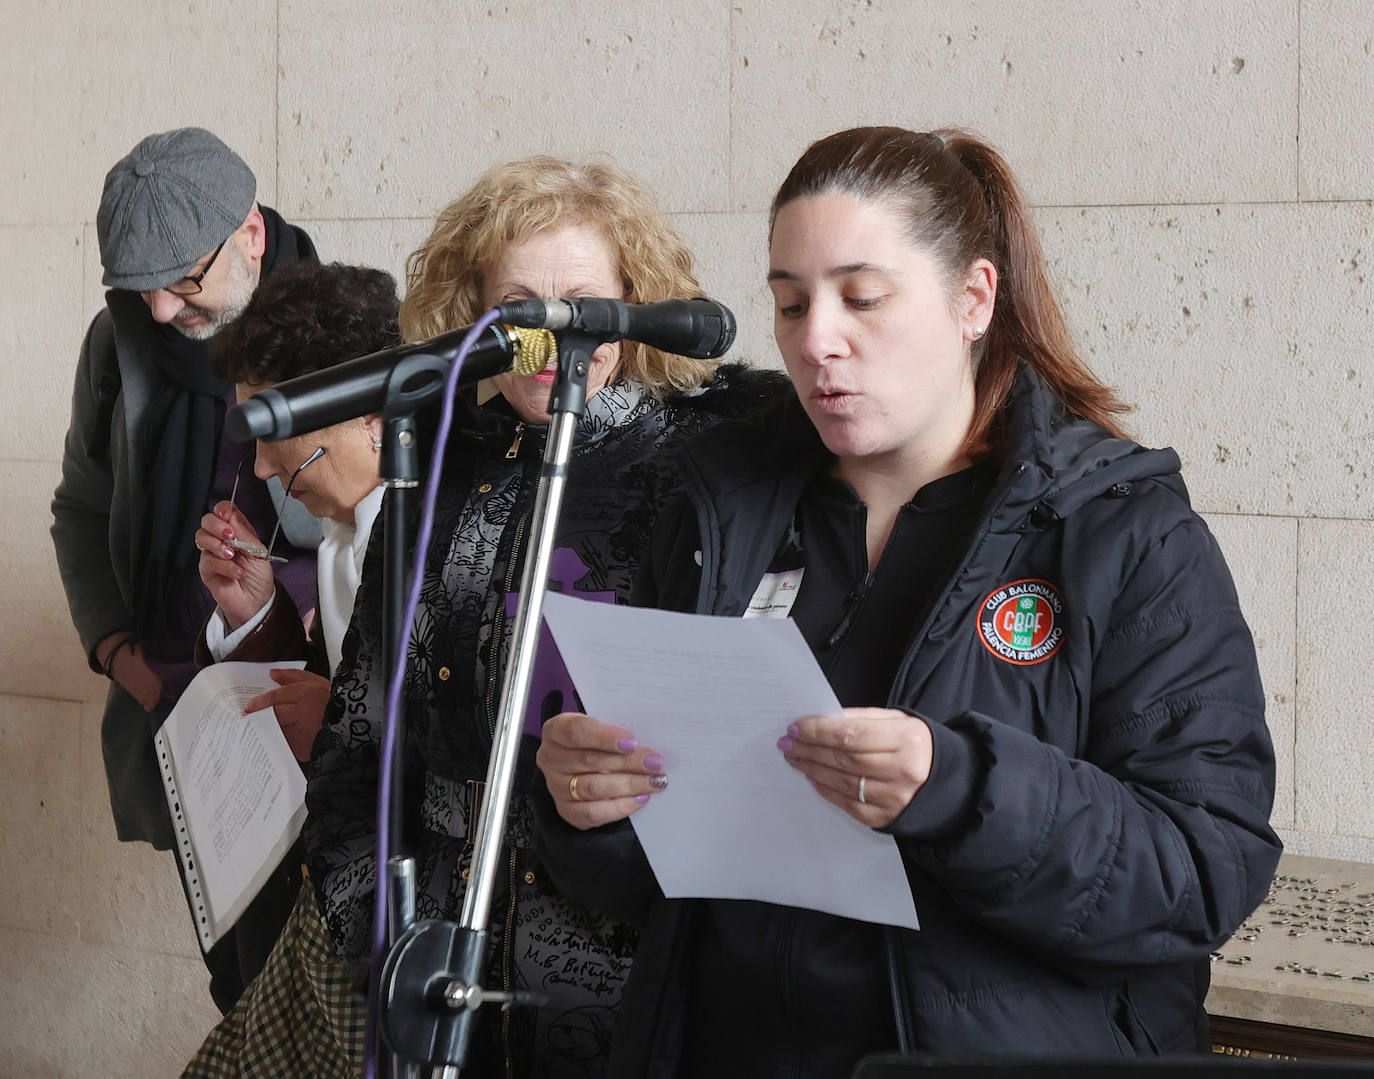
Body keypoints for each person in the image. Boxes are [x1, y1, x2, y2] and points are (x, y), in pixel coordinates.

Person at [532, 126, 1283, 1075]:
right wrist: (586, 810)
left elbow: (1203, 872)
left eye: (864, 297)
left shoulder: (1121, 533)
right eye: (791, 304)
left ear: (975, 298)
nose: (818, 341)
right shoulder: (721, 511)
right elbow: (651, 881)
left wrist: (961, 789)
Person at [304, 155, 787, 1077]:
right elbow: (357, 735)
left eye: (582, 300)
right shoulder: (438, 477)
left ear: (635, 299)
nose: (553, 334)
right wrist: (377, 925)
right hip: (438, 986)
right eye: (519, 305)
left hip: (635, 990)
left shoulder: (715, 460)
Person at [50, 127, 321, 1013]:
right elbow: (82, 508)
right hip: (173, 713)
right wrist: (117, 650)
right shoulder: (120, 339)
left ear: (249, 233)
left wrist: (277, 611)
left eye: (182, 280)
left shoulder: (342, 330)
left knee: (312, 1001)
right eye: (140, 287)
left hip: (302, 720)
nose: (161, 311)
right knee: (233, 990)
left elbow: (384, 530)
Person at [184, 261, 401, 1077]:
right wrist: (258, 611)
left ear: (373, 414)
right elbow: (321, 692)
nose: (266, 469)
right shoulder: (348, 535)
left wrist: (341, 730)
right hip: (324, 908)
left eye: (277, 434)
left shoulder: (445, 543)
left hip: (387, 942)